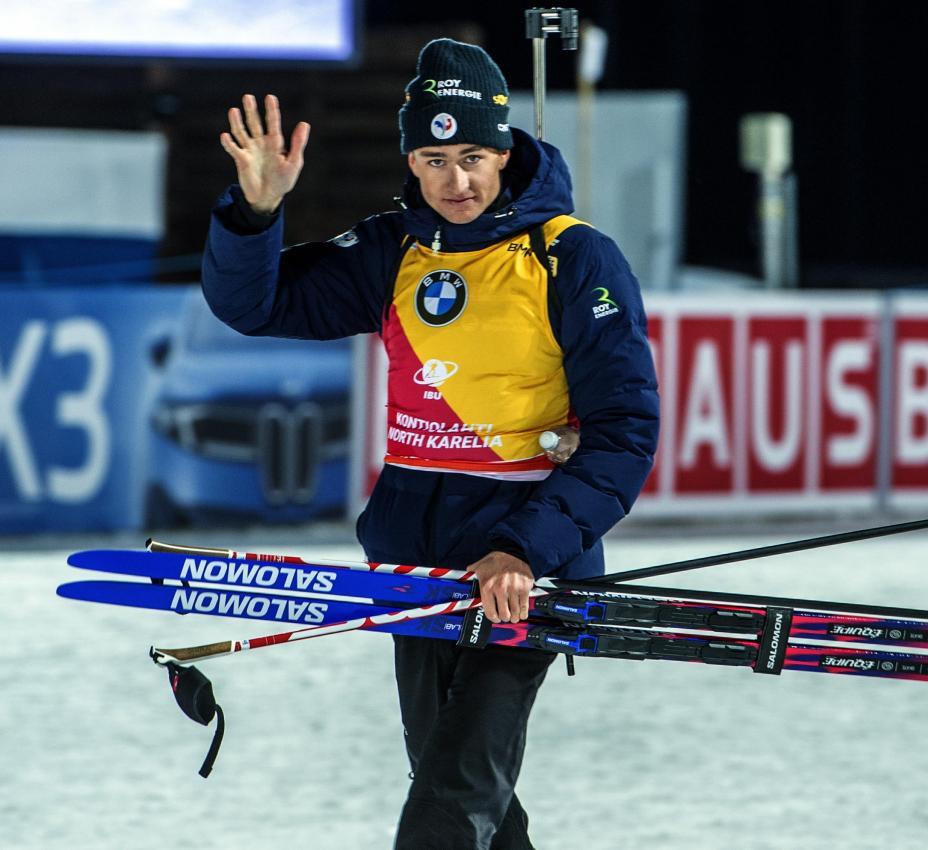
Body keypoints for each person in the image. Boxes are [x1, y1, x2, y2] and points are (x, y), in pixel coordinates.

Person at [200, 38, 660, 849]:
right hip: (414, 570)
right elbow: (258, 305)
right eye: (435, 158)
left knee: (452, 796)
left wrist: (525, 550)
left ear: (507, 147)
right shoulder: (391, 249)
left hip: (526, 573)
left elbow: (625, 432)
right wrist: (256, 215)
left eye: (475, 155)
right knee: (460, 788)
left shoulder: (572, 255)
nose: (458, 182)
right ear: (411, 162)